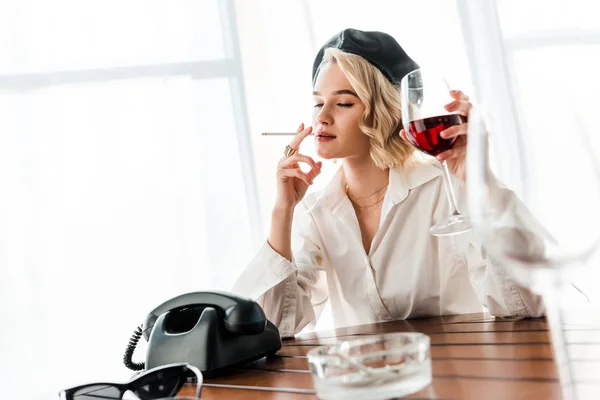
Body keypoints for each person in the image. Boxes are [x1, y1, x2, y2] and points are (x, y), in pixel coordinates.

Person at [231, 28, 544, 338]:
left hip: (460, 379)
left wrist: (482, 183)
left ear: (383, 111)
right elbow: (271, 329)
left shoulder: (442, 189)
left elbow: (527, 304)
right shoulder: (316, 211)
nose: (321, 118)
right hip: (368, 384)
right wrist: (282, 211)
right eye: (318, 103)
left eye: (343, 104)